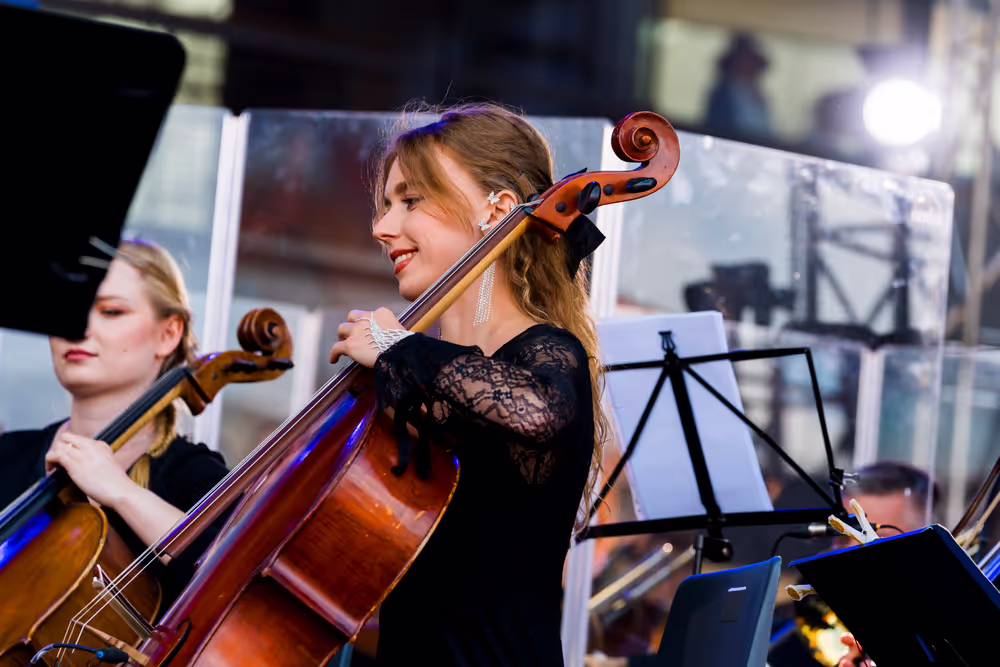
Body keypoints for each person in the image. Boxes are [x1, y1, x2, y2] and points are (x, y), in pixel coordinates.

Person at [327, 103, 608, 666]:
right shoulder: (407, 378)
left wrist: (393, 346)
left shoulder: (547, 354)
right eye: (386, 205)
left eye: (410, 200)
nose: (382, 227)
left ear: (496, 211)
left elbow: (537, 412)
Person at [0, 239, 231, 611]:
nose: (78, 328)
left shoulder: (196, 478)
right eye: (69, 308)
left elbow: (233, 576)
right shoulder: (7, 454)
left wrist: (120, 490)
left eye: (110, 311)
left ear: (169, 333)